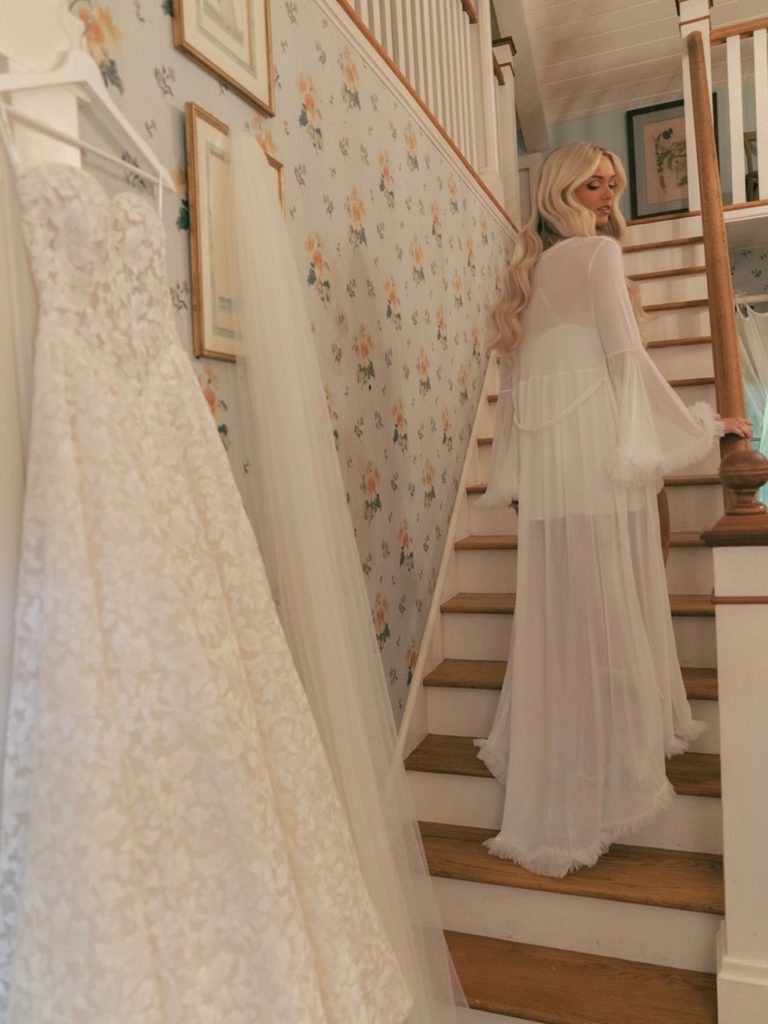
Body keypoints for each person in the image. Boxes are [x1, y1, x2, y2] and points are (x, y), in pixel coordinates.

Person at [475, 142, 751, 879]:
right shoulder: (595, 258)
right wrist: (699, 427)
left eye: (612, 183)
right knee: (607, 605)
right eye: (592, 183)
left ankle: (573, 766)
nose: (605, 194)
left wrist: (516, 475)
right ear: (562, 188)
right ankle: (606, 776)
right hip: (595, 452)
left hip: (553, 467)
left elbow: (518, 386)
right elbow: (625, 359)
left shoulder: (527, 270)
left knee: (571, 615)